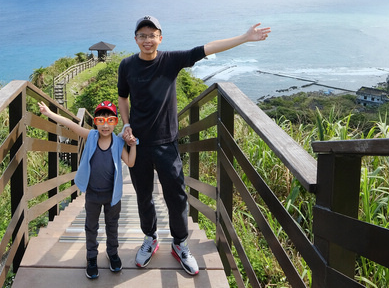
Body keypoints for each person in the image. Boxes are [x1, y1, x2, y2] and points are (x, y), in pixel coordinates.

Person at [117, 15, 271, 276]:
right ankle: (150, 238)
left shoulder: (171, 60)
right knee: (143, 196)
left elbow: (206, 48)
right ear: (135, 39)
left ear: (160, 38)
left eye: (152, 35)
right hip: (138, 144)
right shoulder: (127, 65)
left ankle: (179, 243)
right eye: (142, 35)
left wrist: (244, 38)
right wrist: (126, 125)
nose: (147, 39)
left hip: (166, 143)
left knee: (176, 197)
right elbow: (122, 97)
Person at [38, 100, 137, 280]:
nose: (105, 125)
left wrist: (133, 145)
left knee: (112, 226)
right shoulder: (91, 136)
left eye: (110, 121)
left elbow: (130, 162)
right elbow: (70, 124)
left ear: (115, 123)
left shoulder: (117, 143)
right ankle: (91, 258)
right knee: (91, 227)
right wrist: (49, 114)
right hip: (92, 194)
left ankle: (112, 253)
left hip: (112, 195)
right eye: (101, 120)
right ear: (95, 123)